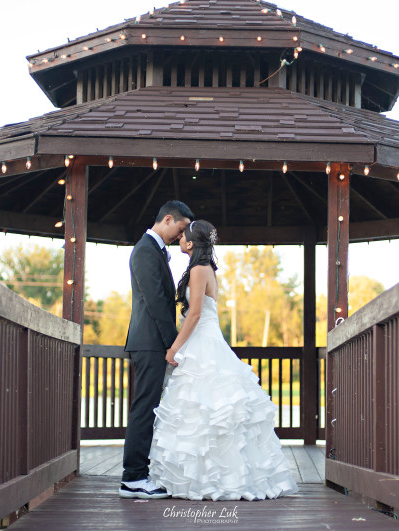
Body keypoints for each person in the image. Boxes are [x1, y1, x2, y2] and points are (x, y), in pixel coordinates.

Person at [148, 220, 299, 500]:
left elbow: (193, 315)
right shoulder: (208, 269)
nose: (180, 238)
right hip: (208, 341)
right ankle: (219, 478)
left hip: (201, 342)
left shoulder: (197, 269)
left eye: (183, 236)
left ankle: (205, 481)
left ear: (191, 244)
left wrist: (173, 349)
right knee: (211, 412)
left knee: (201, 410)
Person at [120, 200, 195, 499]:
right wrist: (172, 344)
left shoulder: (153, 251)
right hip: (150, 342)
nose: (180, 236)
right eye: (179, 229)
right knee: (144, 408)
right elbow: (154, 302)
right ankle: (133, 478)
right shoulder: (145, 251)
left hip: (152, 342)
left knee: (149, 407)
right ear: (167, 219)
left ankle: (139, 473)